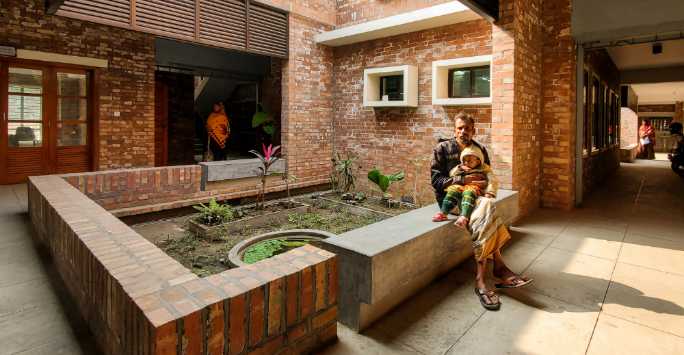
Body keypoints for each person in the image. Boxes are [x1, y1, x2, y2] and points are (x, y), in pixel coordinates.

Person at [431, 112, 532, 311]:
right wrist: (461, 180)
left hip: (476, 197)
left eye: (467, 129)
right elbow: (436, 182)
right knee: (484, 213)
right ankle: (492, 273)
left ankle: (488, 274)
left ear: (473, 131)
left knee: (486, 206)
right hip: (451, 200)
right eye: (459, 128)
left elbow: (488, 176)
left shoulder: (479, 150)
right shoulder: (442, 148)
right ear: (454, 129)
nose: (463, 132)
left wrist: (486, 189)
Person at [432, 146, 498, 229]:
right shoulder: (462, 167)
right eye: (464, 160)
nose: (466, 163)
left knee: (469, 192)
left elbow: (493, 180)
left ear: (478, 160)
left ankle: (464, 217)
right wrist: (459, 168)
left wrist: (490, 192)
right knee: (453, 189)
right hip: (461, 187)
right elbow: (452, 174)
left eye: (470, 161)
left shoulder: (484, 169)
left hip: (475, 188)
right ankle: (443, 212)